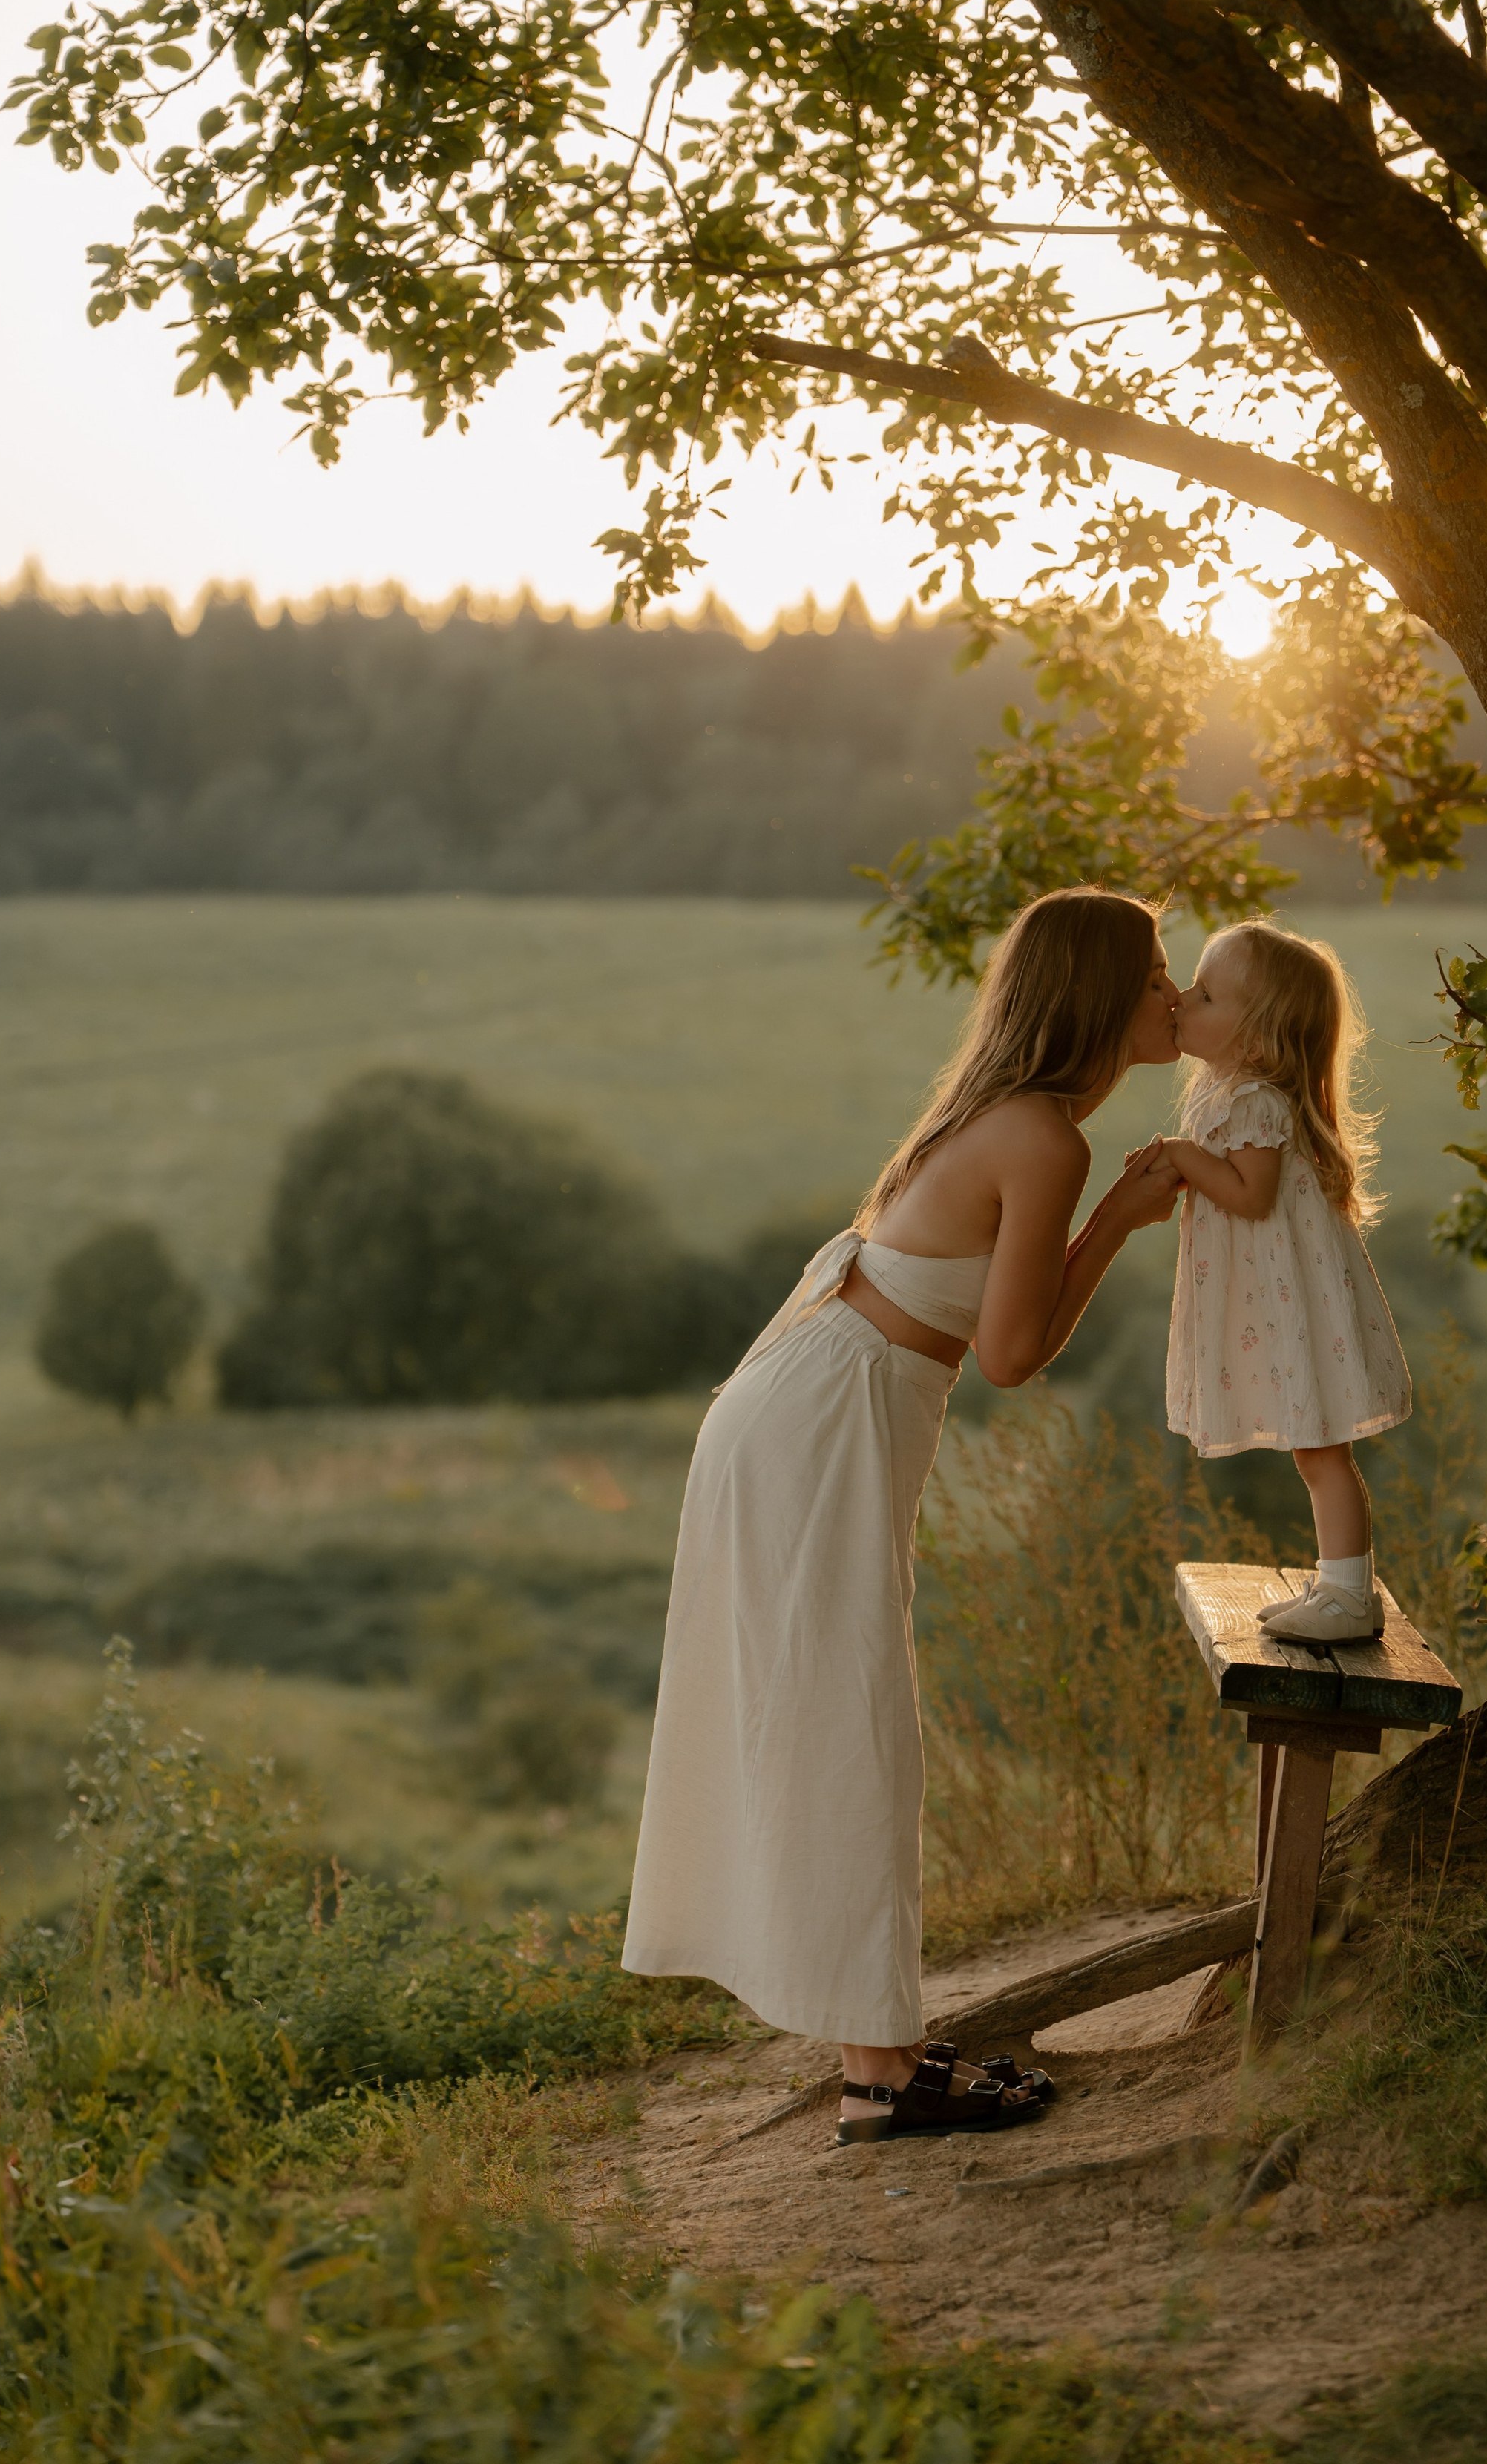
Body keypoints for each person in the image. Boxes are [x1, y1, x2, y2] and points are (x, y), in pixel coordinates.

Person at [623, 887, 1184, 2144]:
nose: (1172, 994)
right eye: (1156, 973)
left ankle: (882, 2053)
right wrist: (1120, 1226)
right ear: (1099, 994)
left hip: (808, 1404)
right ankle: (882, 2075)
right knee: (850, 1710)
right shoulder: (1046, 1139)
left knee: (841, 1704)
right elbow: (1013, 1353)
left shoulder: (1000, 1115)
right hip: (824, 1421)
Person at [1161, 919, 1411, 1644]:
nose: (1181, 997)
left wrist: (1180, 1156)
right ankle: (1338, 1583)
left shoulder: (1254, 1103)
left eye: (1204, 994)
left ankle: (1348, 1594)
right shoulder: (1226, 1087)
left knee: (1321, 1448)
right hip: (1277, 1298)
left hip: (1290, 1304)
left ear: (1256, 1042)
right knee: (1317, 1448)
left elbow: (1249, 1195)